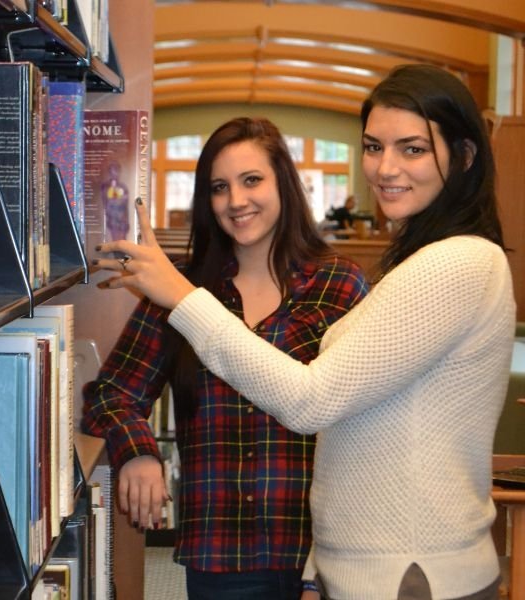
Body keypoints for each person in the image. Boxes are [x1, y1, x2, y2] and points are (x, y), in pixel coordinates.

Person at [93, 65, 517, 600]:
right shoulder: (418, 265)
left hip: (401, 570)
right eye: (373, 146)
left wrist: (181, 298)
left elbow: (313, 401)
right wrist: (139, 448)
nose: (386, 168)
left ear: (463, 155)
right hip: (259, 553)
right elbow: (361, 429)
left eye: (412, 149)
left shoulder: (441, 267)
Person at [84, 117, 368, 600]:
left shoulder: (340, 285)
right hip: (221, 554)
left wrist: (321, 573)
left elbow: (365, 419)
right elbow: (110, 393)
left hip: (324, 549)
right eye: (219, 187)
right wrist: (138, 450)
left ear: (285, 184)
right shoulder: (181, 291)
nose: (236, 201)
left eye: (252, 180)